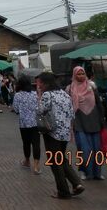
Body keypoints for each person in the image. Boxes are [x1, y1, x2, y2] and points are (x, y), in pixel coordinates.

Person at [36, 72, 84, 200]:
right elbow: (72, 114)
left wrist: (39, 97)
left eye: (39, 82)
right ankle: (76, 183)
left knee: (55, 162)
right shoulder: (64, 94)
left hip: (52, 133)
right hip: (65, 133)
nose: (38, 84)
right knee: (61, 158)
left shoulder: (47, 94)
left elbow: (40, 111)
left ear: (45, 83)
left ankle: (63, 191)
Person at [66, 66, 105, 180]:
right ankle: (84, 171)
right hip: (79, 123)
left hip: (94, 122)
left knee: (96, 149)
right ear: (74, 75)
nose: (81, 76)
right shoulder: (70, 89)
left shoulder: (91, 86)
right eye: (78, 74)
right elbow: (68, 106)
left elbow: (99, 103)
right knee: (84, 149)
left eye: (83, 73)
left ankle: (97, 173)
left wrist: (102, 119)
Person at [12, 75, 41, 175]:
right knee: (36, 144)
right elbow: (39, 107)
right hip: (35, 123)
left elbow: (15, 109)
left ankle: (27, 161)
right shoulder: (35, 94)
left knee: (26, 143)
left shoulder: (17, 95)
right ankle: (36, 166)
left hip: (24, 124)